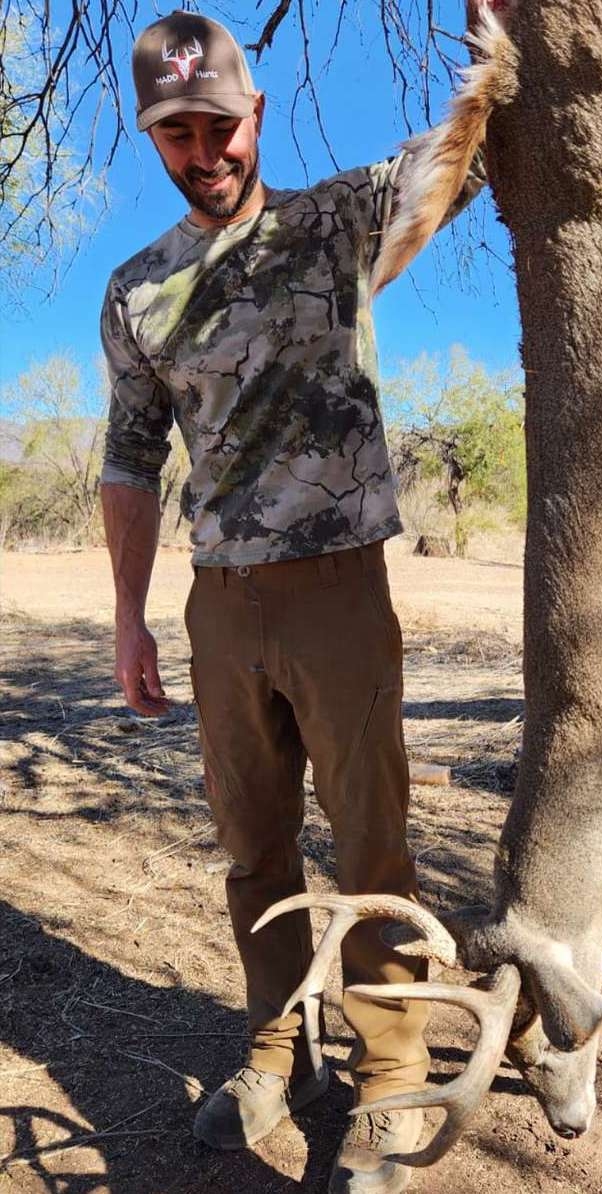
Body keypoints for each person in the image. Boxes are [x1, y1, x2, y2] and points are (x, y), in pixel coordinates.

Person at [99, 10, 485, 1193]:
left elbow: (456, 154)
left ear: (254, 114)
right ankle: (282, 1048)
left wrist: (494, 49)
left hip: (338, 596)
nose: (203, 149)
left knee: (372, 844)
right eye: (176, 131)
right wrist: (129, 618)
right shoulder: (139, 292)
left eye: (219, 122)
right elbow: (128, 459)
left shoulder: (330, 226)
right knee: (251, 846)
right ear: (152, 136)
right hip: (221, 607)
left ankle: (390, 1073)